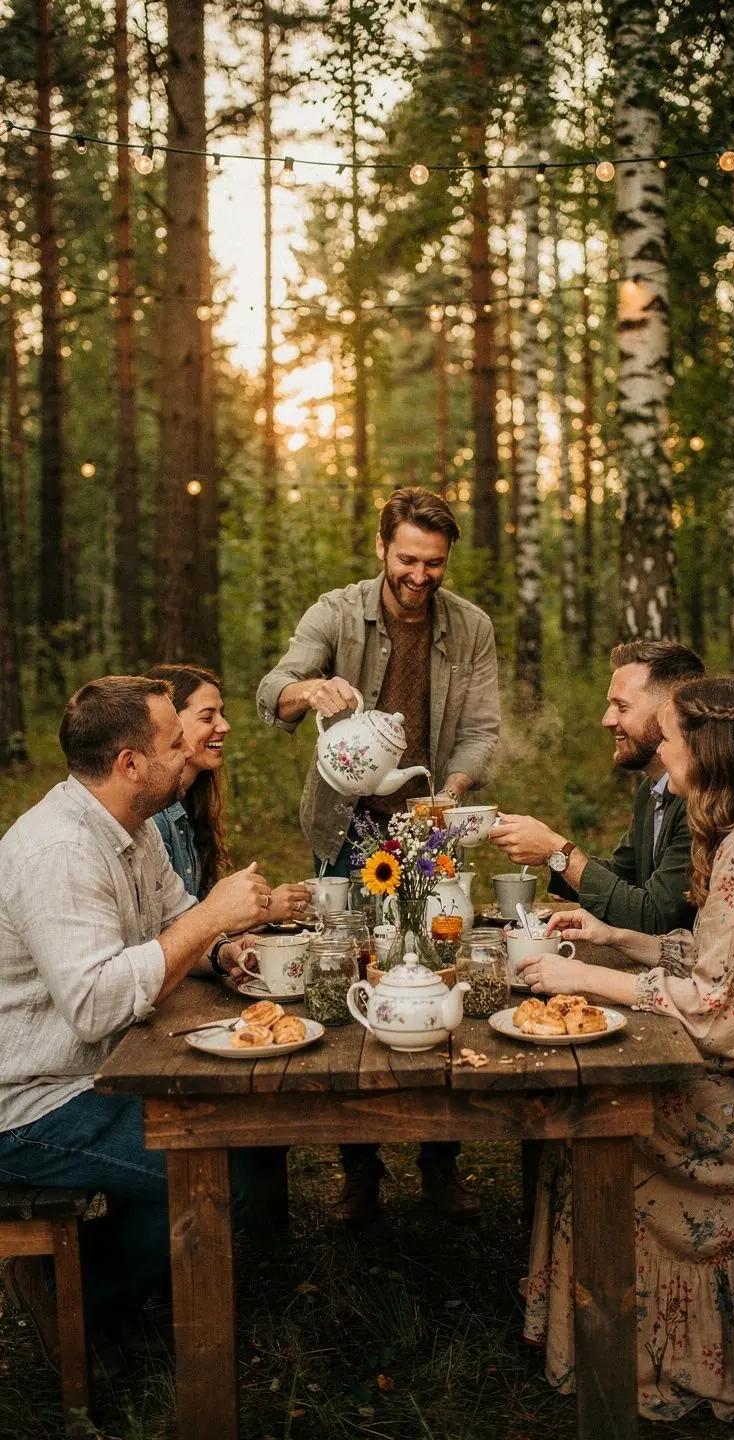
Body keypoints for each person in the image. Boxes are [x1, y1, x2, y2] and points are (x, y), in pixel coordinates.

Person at [520, 675, 734, 1424]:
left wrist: (580, 978)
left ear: (708, 752)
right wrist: (619, 939)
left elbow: (720, 1012)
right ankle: (611, 1343)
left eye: (674, 737)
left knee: (597, 1120)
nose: (663, 746)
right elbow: (725, 961)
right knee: (580, 1117)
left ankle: (636, 1358)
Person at [0, 676, 276, 1370]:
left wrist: (222, 949)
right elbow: (95, 1003)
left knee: (254, 1135)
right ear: (129, 764)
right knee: (225, 1177)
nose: (191, 751)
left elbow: (172, 917)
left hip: (93, 1072)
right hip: (32, 1103)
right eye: (174, 741)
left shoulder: (131, 827)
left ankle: (112, 1291)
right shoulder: (59, 852)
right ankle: (80, 1300)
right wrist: (212, 917)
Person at [257, 486, 501, 1223]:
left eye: (434, 564)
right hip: (344, 827)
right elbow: (272, 691)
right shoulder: (336, 612)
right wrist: (310, 690)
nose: (420, 577)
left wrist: (449, 791)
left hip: (428, 827)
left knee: (435, 973)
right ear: (381, 547)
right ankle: (357, 1167)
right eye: (407, 560)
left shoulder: (471, 627)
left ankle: (440, 1161)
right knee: (348, 973)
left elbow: (482, 729)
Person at [491, 638, 704, 934]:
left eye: (622, 707)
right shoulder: (651, 791)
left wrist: (560, 852)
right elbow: (625, 879)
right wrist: (545, 852)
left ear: (670, 711)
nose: (607, 719)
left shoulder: (702, 798)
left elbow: (656, 918)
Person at [146, 663, 311, 935]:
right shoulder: (152, 816)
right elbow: (169, 928)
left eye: (222, 714)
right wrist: (265, 908)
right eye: (207, 717)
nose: (224, 726)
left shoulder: (191, 802)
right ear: (169, 723)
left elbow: (200, 908)